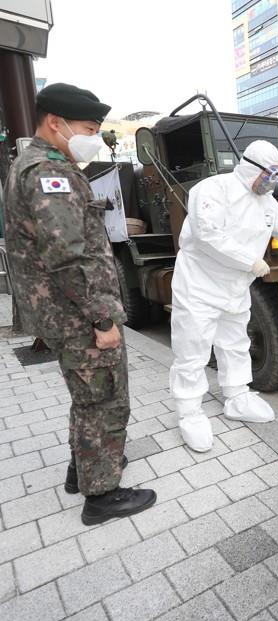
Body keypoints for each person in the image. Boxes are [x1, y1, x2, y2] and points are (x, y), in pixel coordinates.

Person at [3, 83, 156, 525]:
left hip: (62, 312)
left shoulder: (35, 164)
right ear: (56, 123)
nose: (96, 136)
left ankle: (83, 469)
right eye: (89, 128)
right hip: (77, 314)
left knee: (86, 396)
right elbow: (69, 257)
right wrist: (103, 318)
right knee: (105, 400)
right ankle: (103, 495)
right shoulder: (48, 173)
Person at [170, 139, 278, 452]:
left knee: (236, 342)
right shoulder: (213, 189)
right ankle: (189, 411)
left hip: (236, 287)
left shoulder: (268, 204)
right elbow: (207, 233)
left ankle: (237, 397)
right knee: (193, 347)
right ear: (250, 167)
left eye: (277, 177)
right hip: (199, 284)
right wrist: (249, 260)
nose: (271, 183)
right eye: (268, 176)